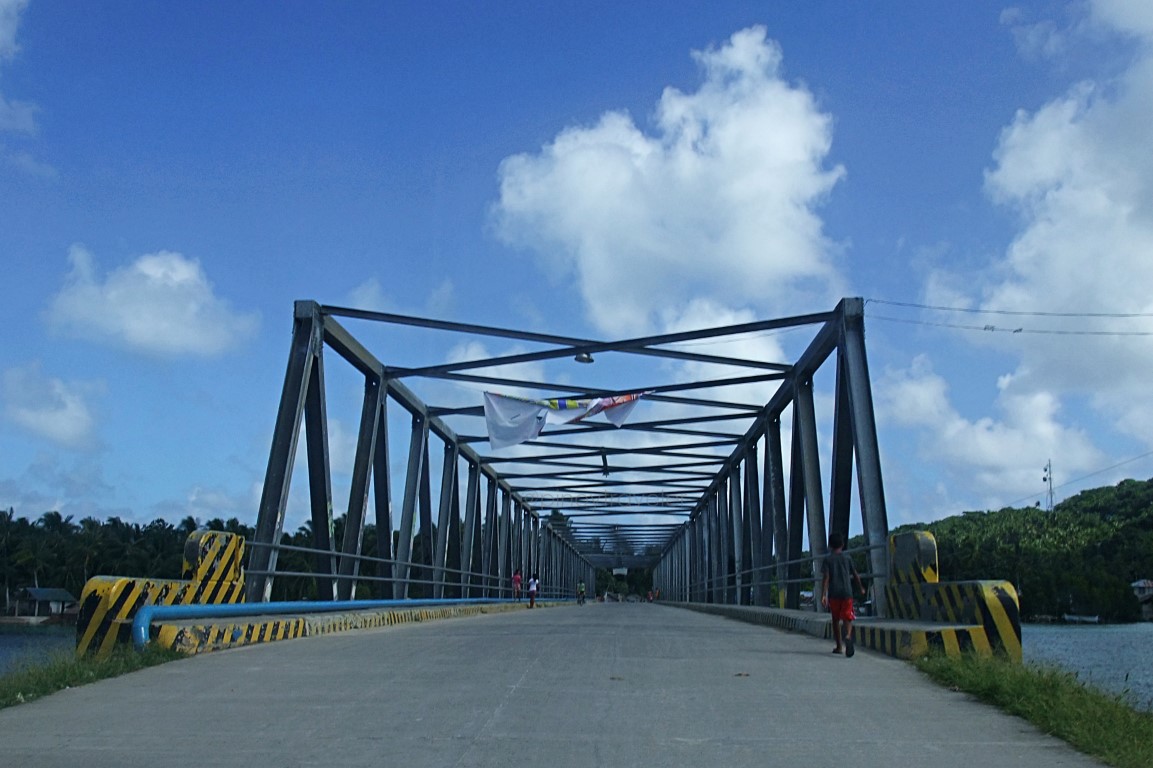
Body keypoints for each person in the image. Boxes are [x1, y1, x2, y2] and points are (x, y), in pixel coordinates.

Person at [821, 532, 865, 657]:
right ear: (843, 544)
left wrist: (823, 594)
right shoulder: (848, 558)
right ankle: (848, 635)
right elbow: (855, 574)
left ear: (829, 545)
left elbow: (826, 578)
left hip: (834, 594)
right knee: (848, 617)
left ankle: (839, 646)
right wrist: (861, 587)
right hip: (847, 592)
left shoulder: (827, 559)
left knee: (835, 620)